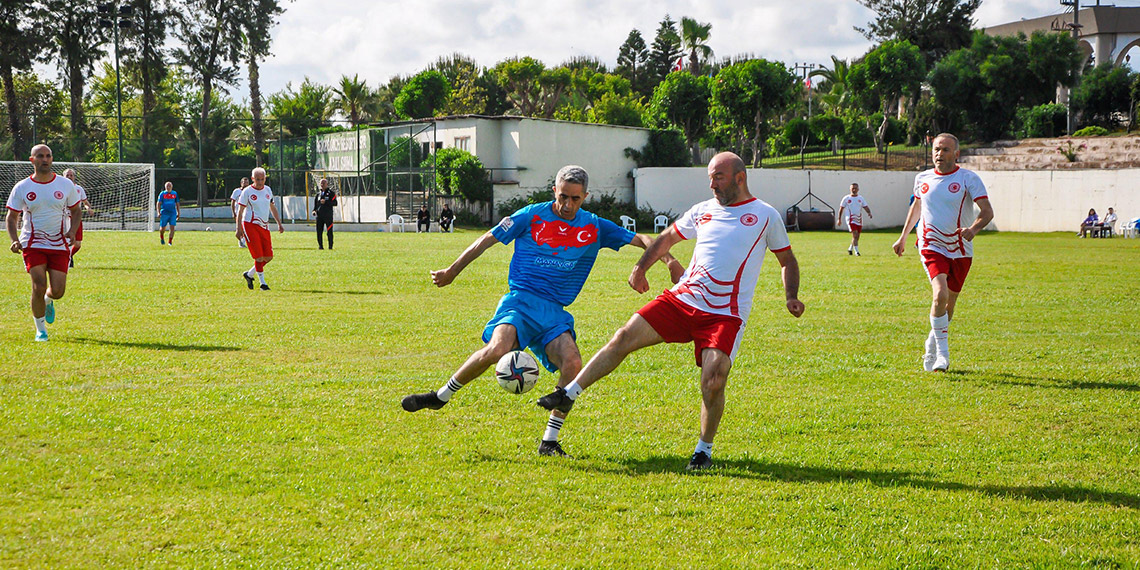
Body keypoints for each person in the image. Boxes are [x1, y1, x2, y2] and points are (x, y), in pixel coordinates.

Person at [536, 153, 804, 471]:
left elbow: (787, 260)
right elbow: (666, 239)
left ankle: (703, 451)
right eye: (710, 177)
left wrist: (791, 296)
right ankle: (569, 393)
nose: (712, 184)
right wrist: (640, 268)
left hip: (725, 313)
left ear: (739, 178)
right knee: (623, 336)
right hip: (682, 300)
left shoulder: (765, 215)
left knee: (714, 378)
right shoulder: (702, 210)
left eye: (718, 177)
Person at [400, 165, 686, 458]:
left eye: (575, 199)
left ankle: (549, 441)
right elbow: (486, 239)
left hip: (554, 313)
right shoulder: (531, 215)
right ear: (554, 191)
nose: (567, 205)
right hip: (520, 302)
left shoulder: (595, 226)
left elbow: (646, 240)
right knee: (498, 349)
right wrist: (451, 271)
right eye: (563, 196)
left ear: (585, 196)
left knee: (573, 364)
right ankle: (440, 397)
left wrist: (670, 263)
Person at [892, 133, 994, 373]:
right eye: (937, 149)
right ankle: (942, 356)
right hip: (930, 245)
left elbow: (987, 211)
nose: (940, 154)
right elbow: (917, 206)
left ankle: (931, 343)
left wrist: (974, 229)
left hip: (960, 249)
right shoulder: (922, 178)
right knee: (940, 295)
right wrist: (903, 236)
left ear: (956, 154)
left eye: (946, 150)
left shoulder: (969, 178)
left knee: (949, 304)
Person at [5, 144, 81, 341]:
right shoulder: (22, 187)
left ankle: (48, 301)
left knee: (58, 291)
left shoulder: (65, 185)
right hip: (32, 243)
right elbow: (11, 217)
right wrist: (14, 240)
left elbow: (76, 210)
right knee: (38, 285)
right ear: (32, 160)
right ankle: (40, 330)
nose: (45, 159)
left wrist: (72, 231)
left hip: (59, 244)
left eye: (48, 156)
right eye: (40, 156)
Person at [235, 167, 284, 290]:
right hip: (250, 225)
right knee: (258, 256)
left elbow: (272, 207)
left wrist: (279, 223)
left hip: (264, 226)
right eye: (257, 179)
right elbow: (240, 211)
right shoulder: (247, 192)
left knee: (268, 257)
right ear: (252, 179)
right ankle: (263, 284)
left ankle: (249, 274)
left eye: (262, 179)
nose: (260, 182)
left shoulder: (268, 190)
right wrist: (238, 228)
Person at [62, 169, 92, 267]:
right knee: (65, 241)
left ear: (74, 177)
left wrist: (88, 208)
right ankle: (67, 260)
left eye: (71, 175)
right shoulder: (60, 189)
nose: (69, 177)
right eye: (67, 175)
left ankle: (68, 256)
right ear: (63, 177)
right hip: (64, 218)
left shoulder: (79, 189)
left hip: (76, 219)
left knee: (77, 244)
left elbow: (85, 202)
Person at [836, 182, 872, 255]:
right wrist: (839, 219)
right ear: (850, 189)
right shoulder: (846, 198)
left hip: (859, 219)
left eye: (855, 188)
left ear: (858, 189)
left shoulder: (860, 198)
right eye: (852, 188)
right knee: (855, 234)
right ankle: (857, 252)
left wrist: (869, 212)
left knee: (857, 236)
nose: (854, 190)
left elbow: (865, 206)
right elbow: (841, 208)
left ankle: (850, 248)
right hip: (850, 219)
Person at [312, 178, 337, 249]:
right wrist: (314, 211)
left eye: (323, 183)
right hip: (319, 216)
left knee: (329, 231)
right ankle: (320, 246)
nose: (322, 185)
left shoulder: (331, 193)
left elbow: (335, 203)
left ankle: (330, 246)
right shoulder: (318, 195)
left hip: (328, 216)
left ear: (327, 184)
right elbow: (316, 206)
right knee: (319, 231)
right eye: (321, 183)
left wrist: (326, 202)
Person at [156, 181, 179, 245]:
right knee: (162, 228)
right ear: (165, 187)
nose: (168, 187)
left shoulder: (174, 194)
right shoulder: (162, 194)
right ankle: (162, 237)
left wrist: (178, 212)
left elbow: (177, 203)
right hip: (164, 213)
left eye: (170, 186)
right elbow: (158, 203)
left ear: (172, 187)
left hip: (172, 213)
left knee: (172, 227)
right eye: (167, 186)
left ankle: (170, 242)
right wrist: (158, 212)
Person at [230, 177, 250, 248]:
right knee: (239, 228)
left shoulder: (249, 191)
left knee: (246, 228)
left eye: (247, 182)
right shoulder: (237, 191)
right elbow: (233, 202)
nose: (245, 184)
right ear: (241, 183)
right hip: (239, 213)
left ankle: (243, 241)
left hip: (247, 213)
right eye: (244, 182)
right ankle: (241, 241)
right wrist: (233, 212)